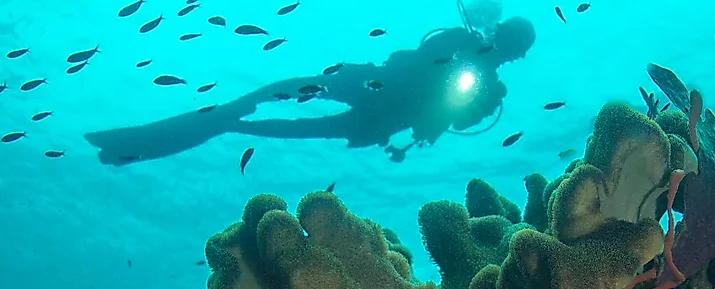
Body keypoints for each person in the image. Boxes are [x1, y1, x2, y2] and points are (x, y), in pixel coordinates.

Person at [84, 16, 536, 165]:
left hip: (379, 119)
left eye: (514, 47)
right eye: (507, 37)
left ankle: (223, 125)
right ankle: (226, 115)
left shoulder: (491, 93)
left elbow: (452, 122)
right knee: (283, 89)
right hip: (370, 84)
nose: (505, 47)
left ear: (517, 55)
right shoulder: (459, 38)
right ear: (498, 30)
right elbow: (418, 52)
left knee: (292, 129)